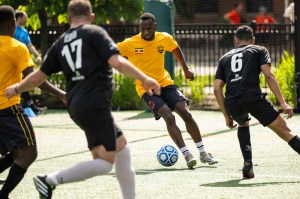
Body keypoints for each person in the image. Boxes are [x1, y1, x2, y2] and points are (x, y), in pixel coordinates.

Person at [6, 1, 160, 199]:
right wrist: (144, 78)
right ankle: (49, 180)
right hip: (94, 104)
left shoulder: (60, 42)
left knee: (122, 149)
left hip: (77, 105)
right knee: (104, 163)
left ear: (69, 19)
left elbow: (38, 77)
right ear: (92, 17)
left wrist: (17, 88)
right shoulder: (94, 32)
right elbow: (117, 62)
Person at [117, 13, 218, 169]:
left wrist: (186, 69)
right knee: (169, 117)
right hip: (146, 89)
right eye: (142, 28)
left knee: (186, 113)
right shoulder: (130, 44)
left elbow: (175, 49)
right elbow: (110, 52)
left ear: (155, 26)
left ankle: (203, 152)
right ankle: (186, 154)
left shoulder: (164, 38)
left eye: (148, 28)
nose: (145, 32)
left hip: (166, 83)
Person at [214, 25, 300, 179]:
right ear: (253, 39)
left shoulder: (224, 58)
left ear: (236, 40)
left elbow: (216, 88)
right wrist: (283, 103)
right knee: (286, 132)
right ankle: (248, 163)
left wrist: (226, 115)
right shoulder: (259, 50)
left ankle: (248, 163)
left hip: (232, 102)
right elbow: (269, 75)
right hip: (253, 98)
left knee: (243, 123)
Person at [0, 5, 66, 198]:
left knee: (16, 152)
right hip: (8, 108)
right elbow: (34, 79)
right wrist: (61, 93)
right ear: (13, 23)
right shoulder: (16, 47)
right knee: (29, 152)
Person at [14, 10, 47, 116]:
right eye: (25, 17)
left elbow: (30, 46)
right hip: (10, 61)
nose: (27, 19)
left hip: (21, 62)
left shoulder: (24, 31)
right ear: (19, 17)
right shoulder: (10, 29)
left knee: (23, 83)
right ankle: (31, 107)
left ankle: (31, 107)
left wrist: (37, 55)